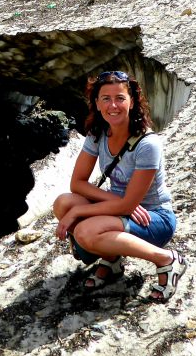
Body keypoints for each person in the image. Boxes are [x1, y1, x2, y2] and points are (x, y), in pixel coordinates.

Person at [53, 70, 187, 301]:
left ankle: (166, 259)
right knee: (64, 202)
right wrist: (120, 203)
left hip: (154, 218)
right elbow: (77, 183)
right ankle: (112, 259)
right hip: (120, 209)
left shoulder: (147, 144)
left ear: (132, 101)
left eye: (120, 98)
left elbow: (129, 204)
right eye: (106, 98)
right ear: (96, 102)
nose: (113, 105)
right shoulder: (98, 135)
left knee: (85, 230)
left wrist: (82, 211)